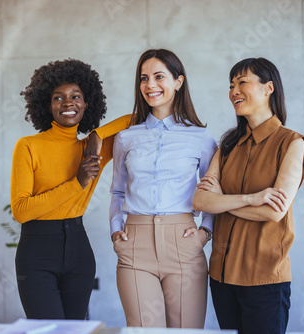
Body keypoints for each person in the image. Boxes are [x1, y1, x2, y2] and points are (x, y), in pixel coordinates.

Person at [193, 57, 304, 334]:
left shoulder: (293, 143)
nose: (234, 90)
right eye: (231, 85)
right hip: (221, 277)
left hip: (266, 280)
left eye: (242, 82)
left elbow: (273, 211)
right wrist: (250, 198)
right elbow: (200, 201)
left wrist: (222, 200)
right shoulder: (228, 144)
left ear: (268, 88)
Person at [10, 59, 130, 320]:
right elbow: (20, 211)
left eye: (76, 96)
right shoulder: (28, 146)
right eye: (58, 97)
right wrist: (77, 183)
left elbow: (135, 118)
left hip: (78, 250)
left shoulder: (91, 149)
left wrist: (97, 136)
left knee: (77, 329)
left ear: (87, 104)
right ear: (47, 104)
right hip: (36, 253)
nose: (68, 102)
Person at [110, 49, 217, 328]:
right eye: (144, 78)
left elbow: (213, 194)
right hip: (135, 244)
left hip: (184, 243)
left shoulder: (201, 138)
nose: (150, 85)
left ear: (178, 82)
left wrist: (205, 233)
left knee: (186, 332)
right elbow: (117, 192)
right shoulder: (126, 138)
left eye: (159, 77)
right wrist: (115, 231)